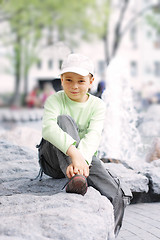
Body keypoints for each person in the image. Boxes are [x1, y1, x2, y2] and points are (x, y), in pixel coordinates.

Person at [41, 53, 131, 236]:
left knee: (115, 191)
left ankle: (111, 234)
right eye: (69, 80)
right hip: (52, 160)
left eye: (80, 81)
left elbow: (94, 135)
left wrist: (81, 160)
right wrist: (74, 155)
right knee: (64, 120)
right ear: (61, 80)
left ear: (91, 81)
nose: (74, 86)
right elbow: (48, 130)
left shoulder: (97, 105)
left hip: (84, 161)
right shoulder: (55, 100)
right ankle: (77, 178)